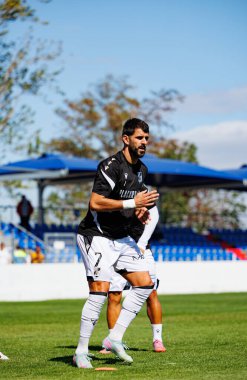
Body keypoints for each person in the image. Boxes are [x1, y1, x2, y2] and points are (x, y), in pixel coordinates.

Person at [73, 118, 159, 369]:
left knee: (145, 284)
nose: (144, 142)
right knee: (100, 291)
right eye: (140, 138)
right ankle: (80, 352)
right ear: (126, 139)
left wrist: (139, 213)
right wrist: (134, 204)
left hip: (120, 236)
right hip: (96, 234)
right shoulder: (110, 166)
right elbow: (96, 203)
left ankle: (114, 338)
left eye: (146, 138)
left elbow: (130, 207)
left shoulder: (141, 170)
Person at [100, 205, 166, 354]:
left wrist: (142, 243)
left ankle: (157, 339)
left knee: (151, 293)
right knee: (114, 295)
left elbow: (154, 212)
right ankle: (114, 340)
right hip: (117, 249)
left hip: (141, 249)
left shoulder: (140, 188)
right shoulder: (112, 192)